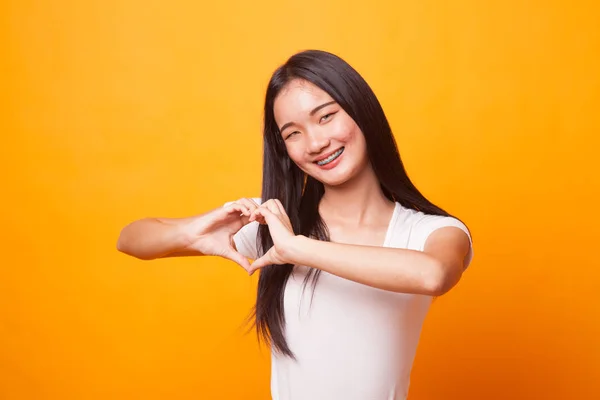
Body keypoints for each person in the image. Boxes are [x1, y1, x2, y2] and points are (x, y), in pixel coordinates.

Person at [117, 49, 474, 400]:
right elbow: (130, 239)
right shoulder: (275, 222)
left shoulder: (431, 231)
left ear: (361, 110)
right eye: (292, 134)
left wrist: (297, 248)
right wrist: (192, 231)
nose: (317, 143)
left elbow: (434, 275)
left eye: (326, 116)